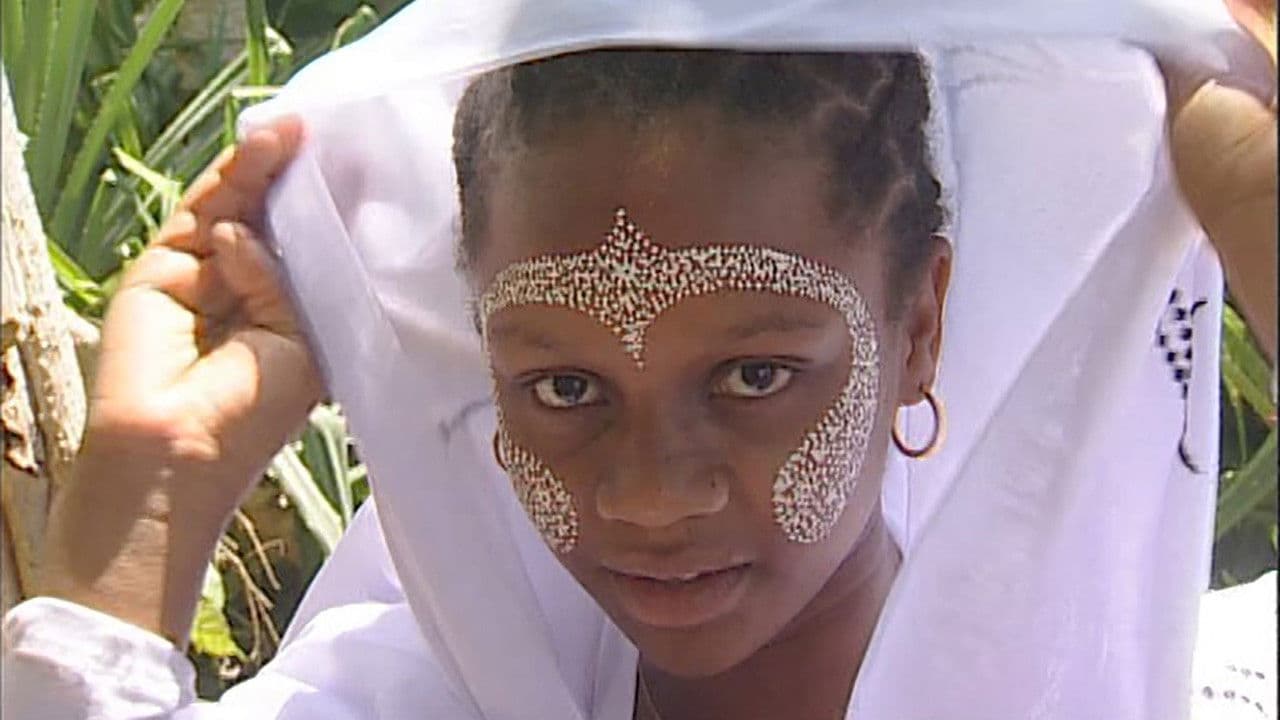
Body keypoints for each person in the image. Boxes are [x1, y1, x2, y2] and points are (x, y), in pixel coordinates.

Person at [2, 1, 1275, 719]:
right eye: (564, 389)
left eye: (755, 376)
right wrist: (151, 489)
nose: (649, 497)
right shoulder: (425, 696)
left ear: (917, 332)